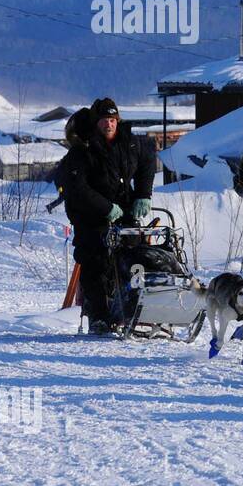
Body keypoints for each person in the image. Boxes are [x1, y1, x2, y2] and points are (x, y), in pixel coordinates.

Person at [59, 99, 157, 334]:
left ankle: (133, 310)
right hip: (90, 215)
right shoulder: (83, 149)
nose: (109, 124)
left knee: (136, 258)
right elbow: (78, 188)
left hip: (124, 211)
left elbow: (148, 161)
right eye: (104, 120)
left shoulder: (130, 142)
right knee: (96, 262)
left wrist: (143, 194)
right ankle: (99, 317)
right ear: (96, 123)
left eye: (113, 120)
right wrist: (105, 208)